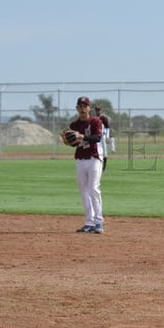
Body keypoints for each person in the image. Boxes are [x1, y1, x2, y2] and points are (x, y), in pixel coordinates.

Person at [64, 96, 105, 234]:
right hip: (80, 159)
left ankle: (98, 222)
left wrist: (82, 137)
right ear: (77, 108)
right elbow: (73, 143)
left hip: (94, 158)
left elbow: (97, 138)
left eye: (84, 106)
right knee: (84, 191)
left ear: (89, 108)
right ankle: (89, 222)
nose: (82, 108)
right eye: (80, 106)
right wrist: (68, 141)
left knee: (93, 189)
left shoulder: (95, 121)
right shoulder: (74, 125)